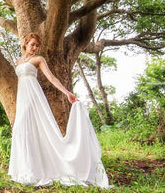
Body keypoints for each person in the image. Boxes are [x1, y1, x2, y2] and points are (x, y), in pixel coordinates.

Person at [8, 32, 109, 188]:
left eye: (37, 45)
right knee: (21, 129)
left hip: (34, 97)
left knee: (33, 128)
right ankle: (25, 169)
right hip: (23, 97)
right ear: (25, 44)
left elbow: (52, 78)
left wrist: (67, 92)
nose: (34, 48)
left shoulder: (38, 60)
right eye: (32, 44)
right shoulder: (18, 61)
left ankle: (41, 169)